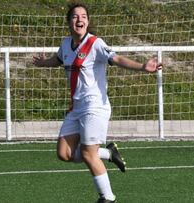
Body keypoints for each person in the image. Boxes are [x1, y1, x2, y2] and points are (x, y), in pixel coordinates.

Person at [32, 3, 162, 203]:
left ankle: (108, 198)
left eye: (83, 16)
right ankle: (108, 152)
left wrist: (142, 67)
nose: (79, 19)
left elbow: (117, 58)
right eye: (75, 16)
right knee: (64, 153)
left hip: (95, 106)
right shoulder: (66, 44)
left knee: (87, 153)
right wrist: (43, 63)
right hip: (76, 108)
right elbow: (58, 59)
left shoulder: (95, 43)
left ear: (88, 21)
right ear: (69, 22)